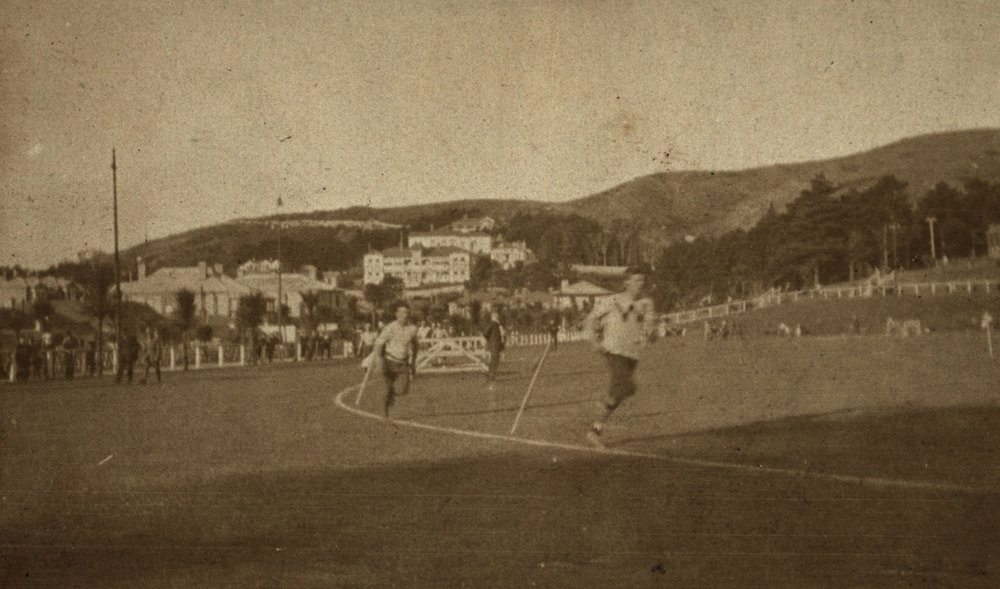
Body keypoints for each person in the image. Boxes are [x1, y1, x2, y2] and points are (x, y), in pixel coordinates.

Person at [583, 268, 657, 449]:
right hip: (613, 350)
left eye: (642, 280)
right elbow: (590, 320)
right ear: (627, 282)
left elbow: (650, 330)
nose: (641, 284)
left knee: (618, 395)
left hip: (632, 353)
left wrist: (651, 332)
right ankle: (594, 432)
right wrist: (594, 341)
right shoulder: (612, 300)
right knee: (626, 386)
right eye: (637, 280)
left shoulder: (647, 303)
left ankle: (595, 429)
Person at [374, 303, 420, 418]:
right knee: (386, 389)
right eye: (403, 312)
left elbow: (415, 345)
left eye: (407, 312)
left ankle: (391, 394)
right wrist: (379, 361)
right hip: (388, 362)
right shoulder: (390, 328)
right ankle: (384, 414)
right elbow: (379, 344)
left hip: (403, 363)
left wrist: (413, 362)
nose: (406, 315)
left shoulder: (412, 329)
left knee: (402, 390)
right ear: (397, 314)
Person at [483, 311, 506, 389]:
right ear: (495, 317)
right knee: (494, 361)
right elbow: (485, 333)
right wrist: (490, 340)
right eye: (496, 316)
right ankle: (491, 377)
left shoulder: (496, 324)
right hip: (495, 346)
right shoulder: (493, 324)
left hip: (496, 346)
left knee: (494, 361)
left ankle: (491, 377)